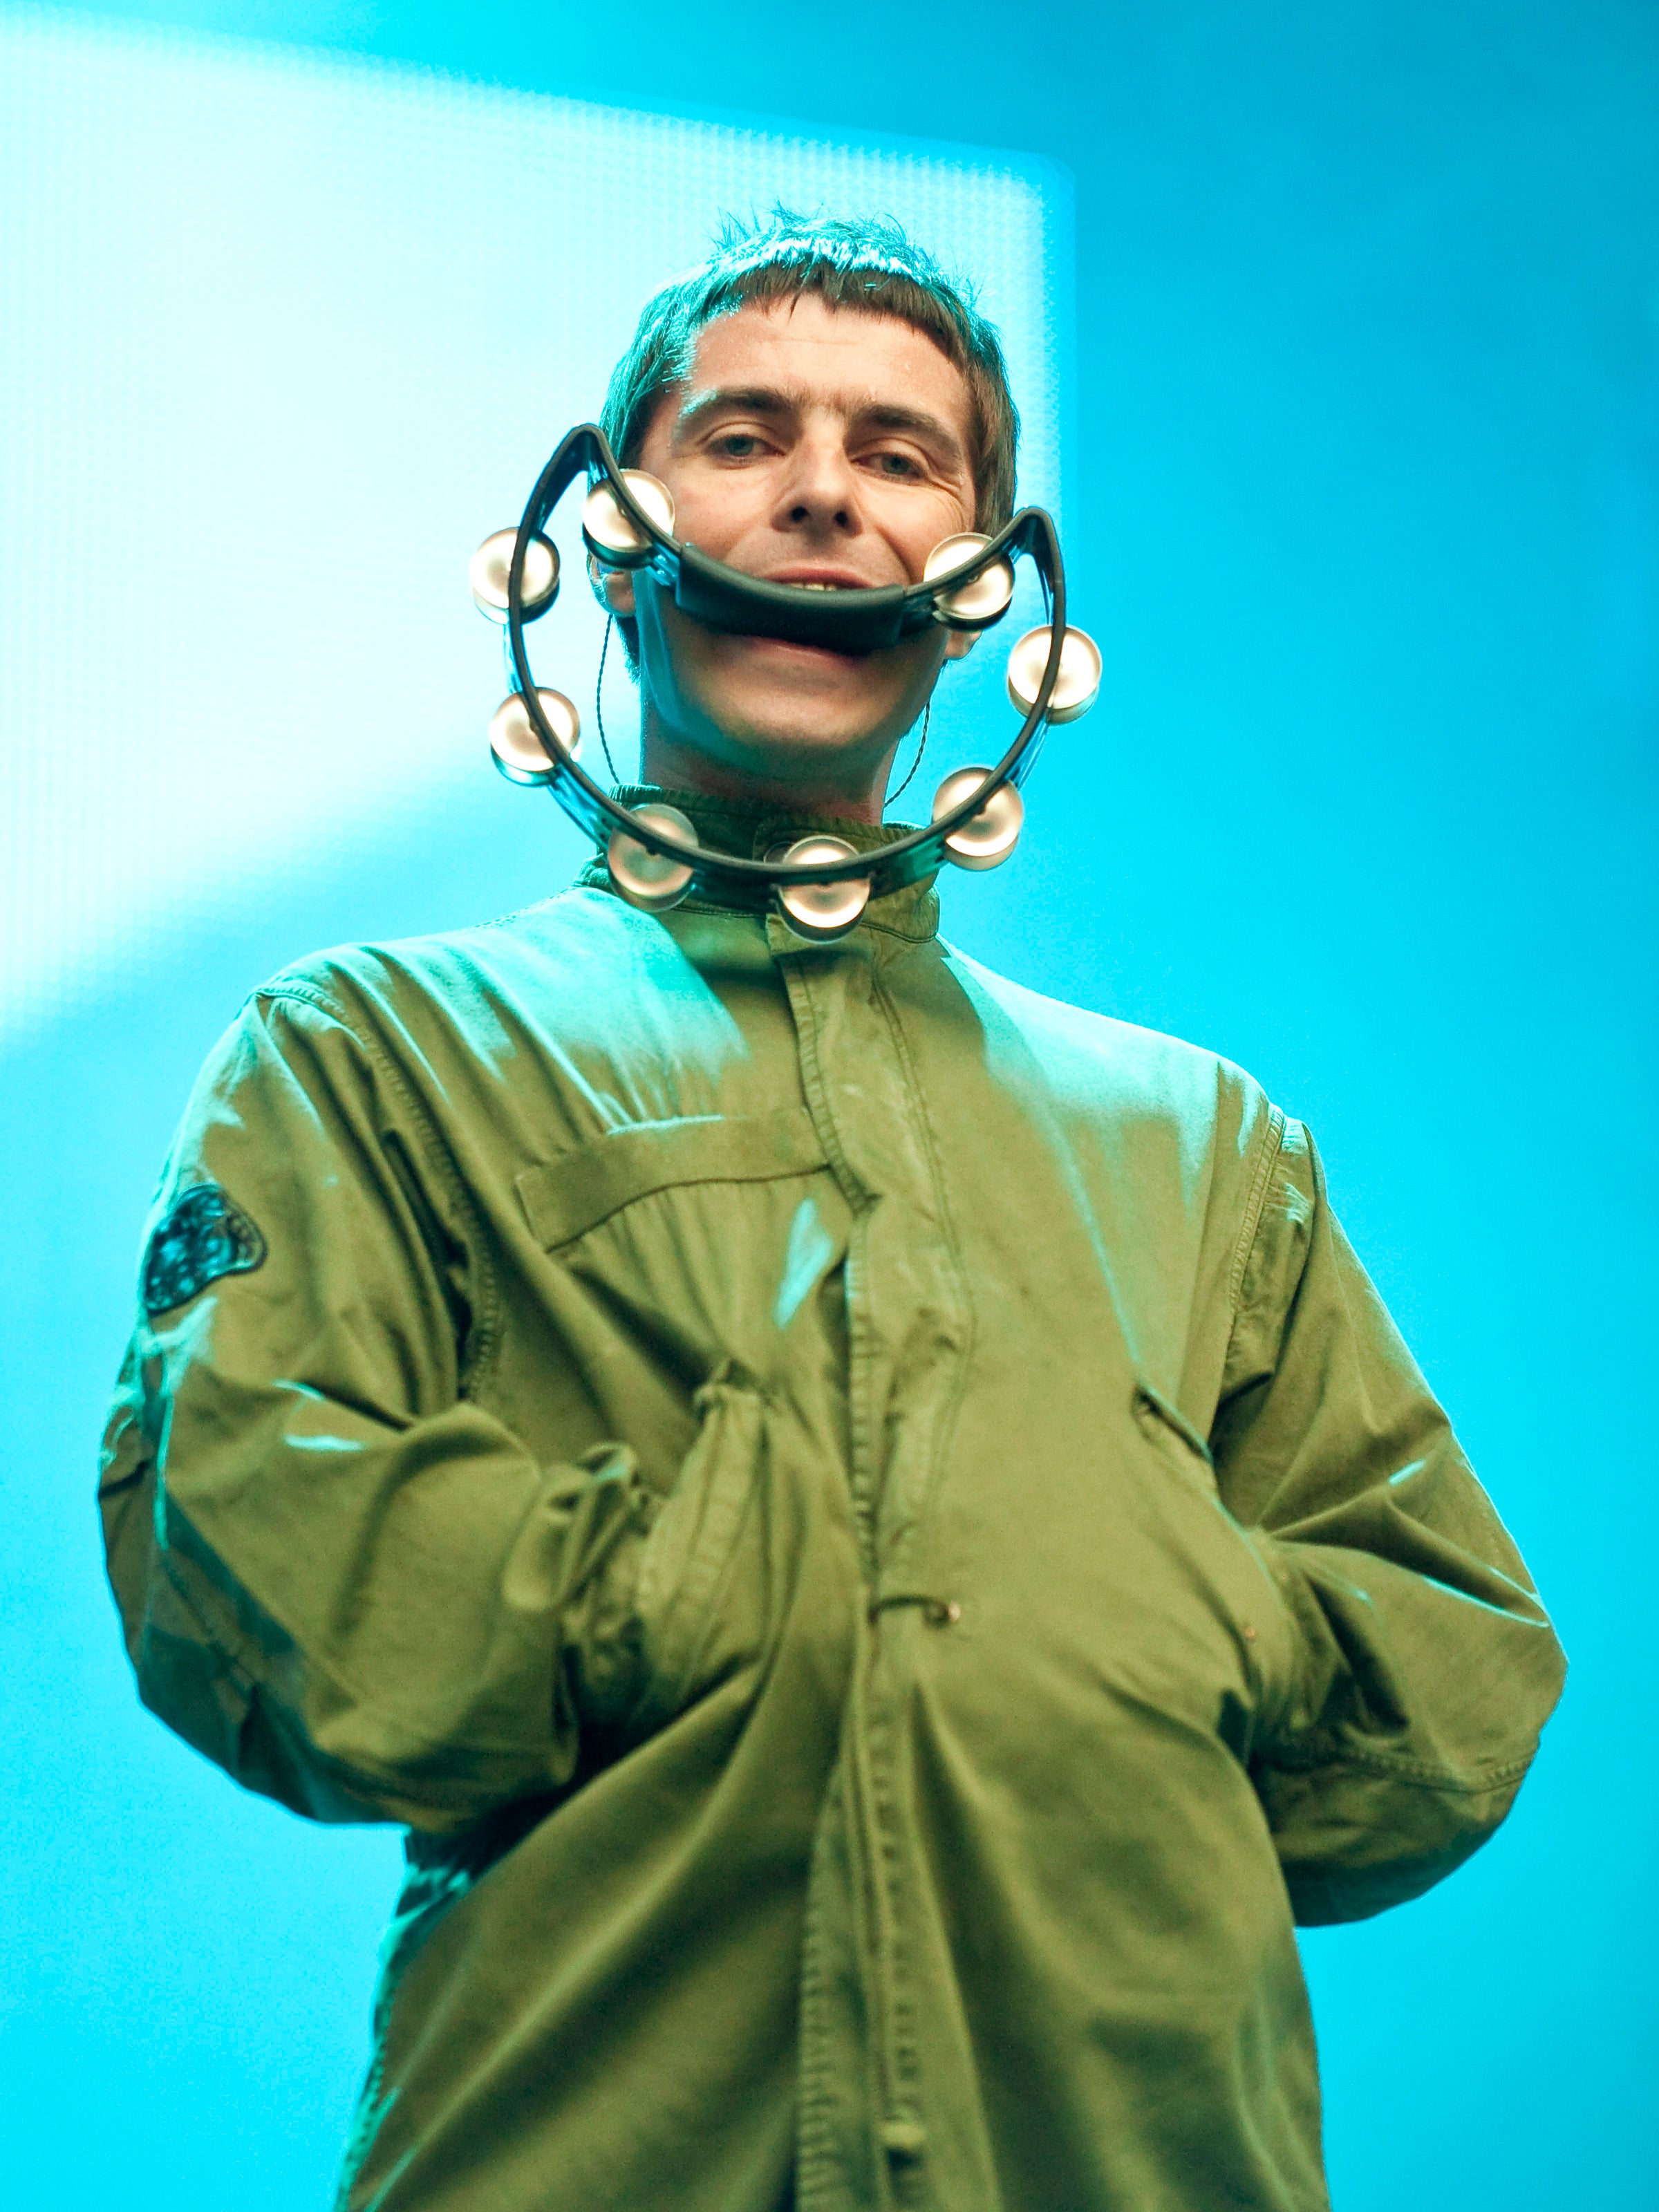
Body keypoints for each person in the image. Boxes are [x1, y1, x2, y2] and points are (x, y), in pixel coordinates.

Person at [98, 211, 1565, 2212]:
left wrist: (1145, 1617)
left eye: (898, 455)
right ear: (613, 536)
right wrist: (710, 1586)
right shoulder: (377, 1050)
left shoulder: (1204, 1141)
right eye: (744, 436)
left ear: (976, 587)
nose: (819, 493)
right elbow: (249, 1532)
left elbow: (1447, 1652)